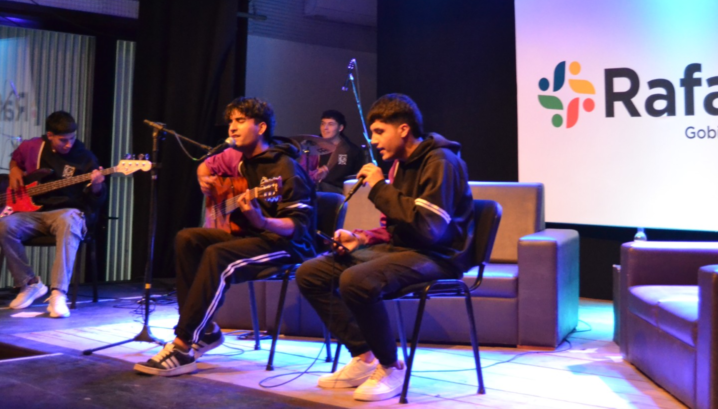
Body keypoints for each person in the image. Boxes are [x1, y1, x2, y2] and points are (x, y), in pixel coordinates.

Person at [295, 94, 475, 402]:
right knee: (311, 272)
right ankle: (365, 356)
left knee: (356, 280)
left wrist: (379, 188)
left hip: (440, 256)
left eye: (379, 132)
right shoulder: (399, 166)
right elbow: (396, 228)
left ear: (403, 129)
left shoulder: (442, 162)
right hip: (407, 249)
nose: (374, 141)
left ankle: (391, 366)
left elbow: (429, 230)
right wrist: (361, 238)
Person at [134, 97, 317, 377]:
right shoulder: (243, 162)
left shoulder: (284, 168)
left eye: (240, 121)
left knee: (218, 254)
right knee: (188, 239)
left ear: (262, 127)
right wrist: (206, 179)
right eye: (231, 121)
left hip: (288, 245)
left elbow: (300, 226)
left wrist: (262, 220)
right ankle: (205, 330)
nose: (232, 127)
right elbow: (207, 168)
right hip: (253, 237)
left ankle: (183, 345)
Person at [0, 110, 106, 318]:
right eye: (63, 140)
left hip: (67, 212)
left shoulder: (85, 158)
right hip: (35, 212)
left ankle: (58, 294)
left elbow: (96, 202)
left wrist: (97, 187)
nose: (68, 144)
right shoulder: (35, 147)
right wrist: (14, 170)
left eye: (72, 139)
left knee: (69, 220)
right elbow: (15, 159)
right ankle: (29, 285)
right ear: (49, 135)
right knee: (3, 225)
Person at [308, 110, 366, 194]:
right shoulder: (314, 147)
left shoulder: (352, 151)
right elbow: (304, 170)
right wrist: (314, 174)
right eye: (323, 123)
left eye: (330, 124)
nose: (325, 128)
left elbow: (357, 179)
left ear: (340, 128)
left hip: (341, 193)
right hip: (318, 190)